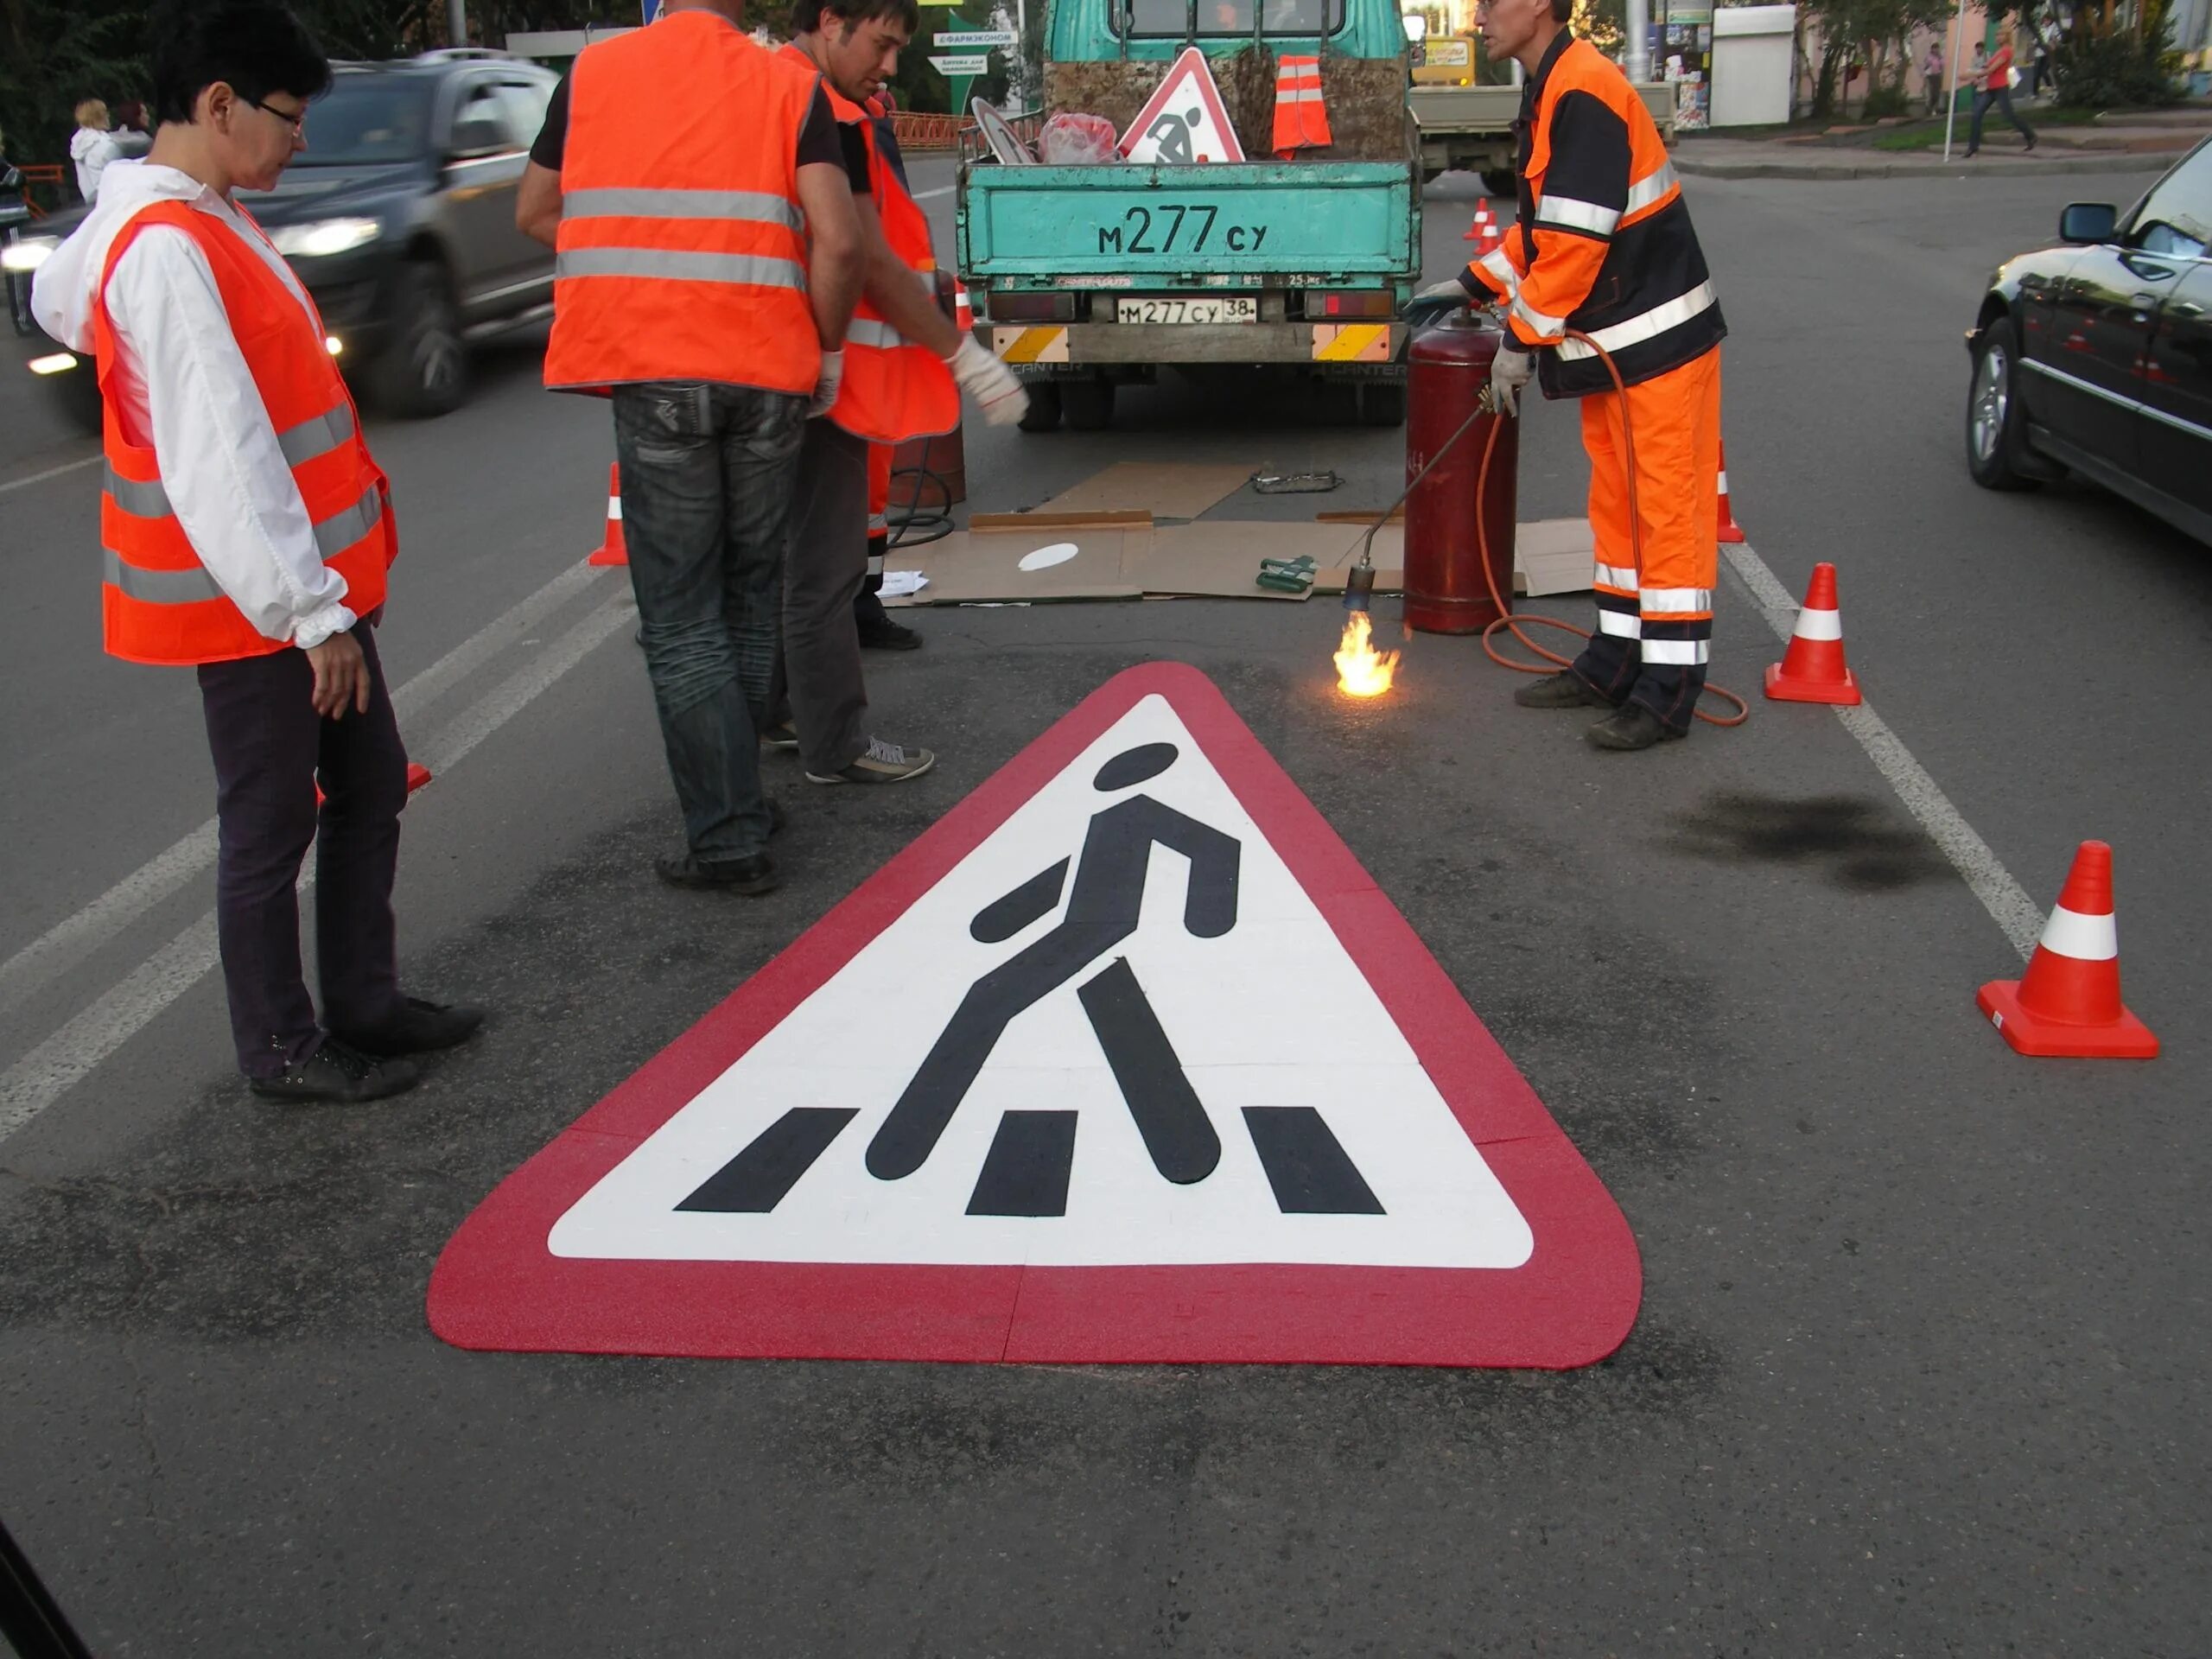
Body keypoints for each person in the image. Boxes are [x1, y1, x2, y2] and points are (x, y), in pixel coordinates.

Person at [31, 0, 482, 1103]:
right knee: (272, 820)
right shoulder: (169, 251)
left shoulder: (202, 211)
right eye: (288, 117)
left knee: (368, 783)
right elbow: (222, 455)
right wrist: (309, 613)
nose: (300, 141)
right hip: (261, 606)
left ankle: (364, 1003)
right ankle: (282, 1045)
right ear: (219, 104)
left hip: (299, 591)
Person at [516, 0, 868, 892]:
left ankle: (726, 836)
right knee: (748, 601)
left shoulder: (593, 75)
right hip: (766, 373)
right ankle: (739, 796)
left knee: (681, 622)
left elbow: (534, 211)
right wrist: (824, 354)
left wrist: (641, 258)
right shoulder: (789, 86)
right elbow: (838, 241)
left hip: (656, 374)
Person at [1422, 0, 1726, 749]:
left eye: (1491, 4)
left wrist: (1518, 342)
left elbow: (1577, 245)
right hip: (1617, 350)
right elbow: (1546, 226)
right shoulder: (1553, 83)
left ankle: (1667, 692)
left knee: (1666, 514)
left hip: (1658, 345)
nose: (1478, 19)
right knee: (1619, 511)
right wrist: (1474, 283)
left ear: (1537, 6)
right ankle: (1613, 663)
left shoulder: (1582, 91)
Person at [770, 0, 1027, 781]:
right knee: (823, 567)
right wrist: (965, 356)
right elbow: (865, 256)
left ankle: (780, 713)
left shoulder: (783, 91)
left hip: (780, 362)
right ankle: (834, 745)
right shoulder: (814, 105)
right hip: (820, 373)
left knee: (783, 565)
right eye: (880, 45)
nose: (888, 68)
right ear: (827, 20)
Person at [1966, 35, 2036, 156]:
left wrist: (1969, 75)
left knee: (2009, 115)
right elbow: (1986, 66)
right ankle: (1973, 146)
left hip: (2000, 87)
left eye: (2000, 35)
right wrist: (1976, 75)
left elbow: (1991, 69)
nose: (1997, 38)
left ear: (2006, 37)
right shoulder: (1998, 51)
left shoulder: (2007, 51)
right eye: (1997, 35)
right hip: (1991, 88)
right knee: (1977, 114)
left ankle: (2030, 135)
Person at [71, 99, 120, 203]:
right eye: (105, 112)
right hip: (111, 199)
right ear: (98, 117)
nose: (108, 116)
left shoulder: (80, 143)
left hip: (91, 200)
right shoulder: (102, 144)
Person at [1922, 42, 1945, 118]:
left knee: (1937, 94)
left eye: (1937, 48)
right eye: (1935, 48)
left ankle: (1935, 108)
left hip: (1937, 76)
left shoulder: (1940, 57)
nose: (1936, 50)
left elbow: (1942, 67)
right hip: (1930, 77)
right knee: (1931, 94)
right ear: (1932, 49)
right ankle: (1929, 109)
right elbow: (1925, 67)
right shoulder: (1929, 57)